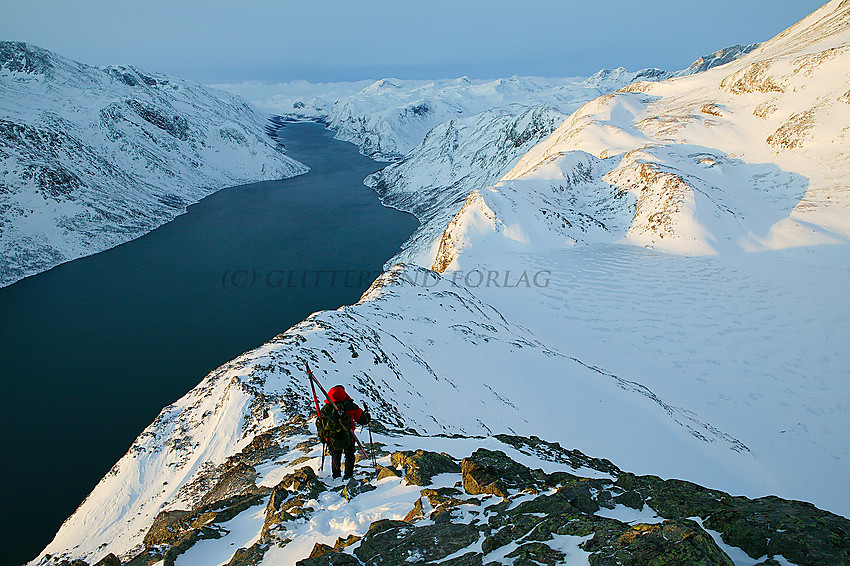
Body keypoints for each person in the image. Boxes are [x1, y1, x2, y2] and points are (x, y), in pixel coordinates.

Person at [317, 385, 370, 479]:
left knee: (336, 455)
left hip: (332, 437)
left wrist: (323, 437)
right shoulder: (351, 406)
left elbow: (320, 422)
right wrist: (367, 417)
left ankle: (336, 475)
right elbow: (363, 420)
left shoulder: (326, 408)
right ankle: (348, 475)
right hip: (348, 436)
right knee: (349, 455)